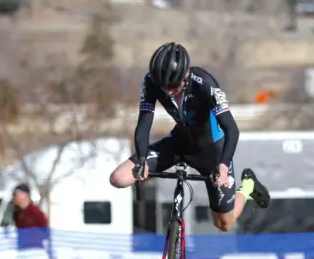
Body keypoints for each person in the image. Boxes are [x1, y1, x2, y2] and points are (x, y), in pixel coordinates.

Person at [108, 42, 270, 232]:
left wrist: (223, 166)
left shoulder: (205, 83)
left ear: (185, 75)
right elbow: (144, 123)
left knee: (224, 224)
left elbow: (232, 129)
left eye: (173, 87)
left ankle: (247, 186)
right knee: (119, 178)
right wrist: (142, 158)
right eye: (164, 87)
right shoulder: (151, 81)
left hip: (211, 152)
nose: (168, 92)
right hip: (179, 143)